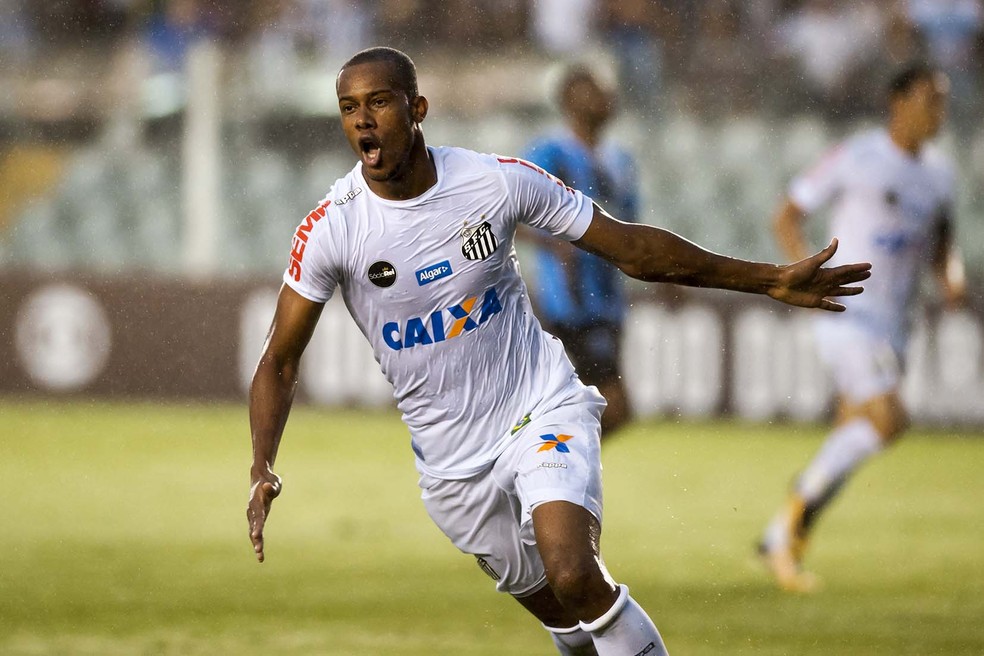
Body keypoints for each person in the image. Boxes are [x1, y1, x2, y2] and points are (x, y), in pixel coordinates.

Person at [247, 46, 870, 655]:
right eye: (349, 106)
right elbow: (279, 358)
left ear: (418, 108)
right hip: (451, 467)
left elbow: (630, 248)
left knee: (575, 574)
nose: (362, 118)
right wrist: (261, 466)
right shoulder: (331, 228)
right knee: (566, 621)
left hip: (540, 404)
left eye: (379, 102)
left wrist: (765, 279)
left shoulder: (496, 183)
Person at [758, 62, 966, 594]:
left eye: (941, 102)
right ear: (898, 102)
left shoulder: (940, 174)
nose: (936, 112)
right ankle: (787, 536)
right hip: (848, 311)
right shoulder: (857, 157)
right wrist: (805, 276)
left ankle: (775, 535)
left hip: (897, 323)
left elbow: (944, 240)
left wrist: (951, 277)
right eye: (928, 100)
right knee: (889, 419)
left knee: (856, 432)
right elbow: (787, 214)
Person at [521, 64, 637, 435]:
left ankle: (548, 471)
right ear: (570, 101)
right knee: (612, 405)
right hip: (567, 301)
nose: (605, 97)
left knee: (600, 409)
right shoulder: (549, 152)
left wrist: (667, 275)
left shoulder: (621, 161)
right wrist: (552, 244)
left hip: (607, 300)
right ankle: (547, 470)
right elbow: (513, 215)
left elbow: (632, 227)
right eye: (594, 90)